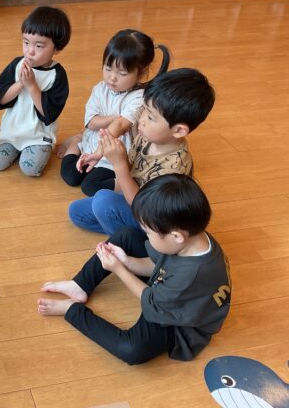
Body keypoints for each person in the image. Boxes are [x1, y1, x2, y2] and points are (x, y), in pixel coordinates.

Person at [39, 174, 231, 365]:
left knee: (132, 350)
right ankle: (79, 285)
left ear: (176, 236)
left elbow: (152, 301)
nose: (146, 235)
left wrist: (120, 270)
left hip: (178, 321)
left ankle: (72, 309)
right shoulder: (192, 237)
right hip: (172, 293)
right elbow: (160, 266)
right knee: (126, 236)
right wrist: (128, 261)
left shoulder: (190, 275)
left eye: (149, 232)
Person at [68, 68, 215, 235]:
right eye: (144, 109)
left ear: (178, 130)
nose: (141, 120)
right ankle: (128, 233)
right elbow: (130, 172)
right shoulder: (147, 137)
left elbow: (141, 206)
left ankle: (133, 240)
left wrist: (119, 165)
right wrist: (103, 153)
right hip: (132, 196)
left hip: (151, 218)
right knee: (76, 212)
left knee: (102, 200)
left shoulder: (173, 168)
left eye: (151, 117)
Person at [57, 29, 170, 195]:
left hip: (115, 155)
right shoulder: (99, 89)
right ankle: (76, 141)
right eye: (108, 68)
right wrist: (114, 118)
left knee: (90, 187)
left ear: (141, 73)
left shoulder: (139, 97)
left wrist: (100, 152)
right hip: (91, 145)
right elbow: (91, 123)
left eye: (122, 73)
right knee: (70, 176)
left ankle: (129, 182)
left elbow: (120, 126)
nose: (112, 78)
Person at [0, 6, 71, 177]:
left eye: (39, 45)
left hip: (39, 135)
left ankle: (2, 134)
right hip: (13, 129)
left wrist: (32, 86)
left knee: (30, 169)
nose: (30, 51)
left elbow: (48, 113)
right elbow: (2, 99)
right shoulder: (17, 65)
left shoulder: (57, 75)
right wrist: (20, 84)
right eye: (26, 42)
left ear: (57, 49)